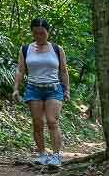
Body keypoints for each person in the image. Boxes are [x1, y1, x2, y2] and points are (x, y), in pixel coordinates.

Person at [13, 17, 70, 166]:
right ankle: (42, 153)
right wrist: (16, 89)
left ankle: (56, 155)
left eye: (42, 33)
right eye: (35, 33)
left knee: (52, 121)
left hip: (53, 89)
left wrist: (67, 89)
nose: (39, 36)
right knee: (37, 123)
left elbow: (63, 71)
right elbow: (20, 70)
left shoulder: (57, 49)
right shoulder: (25, 49)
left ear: (48, 32)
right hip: (33, 89)